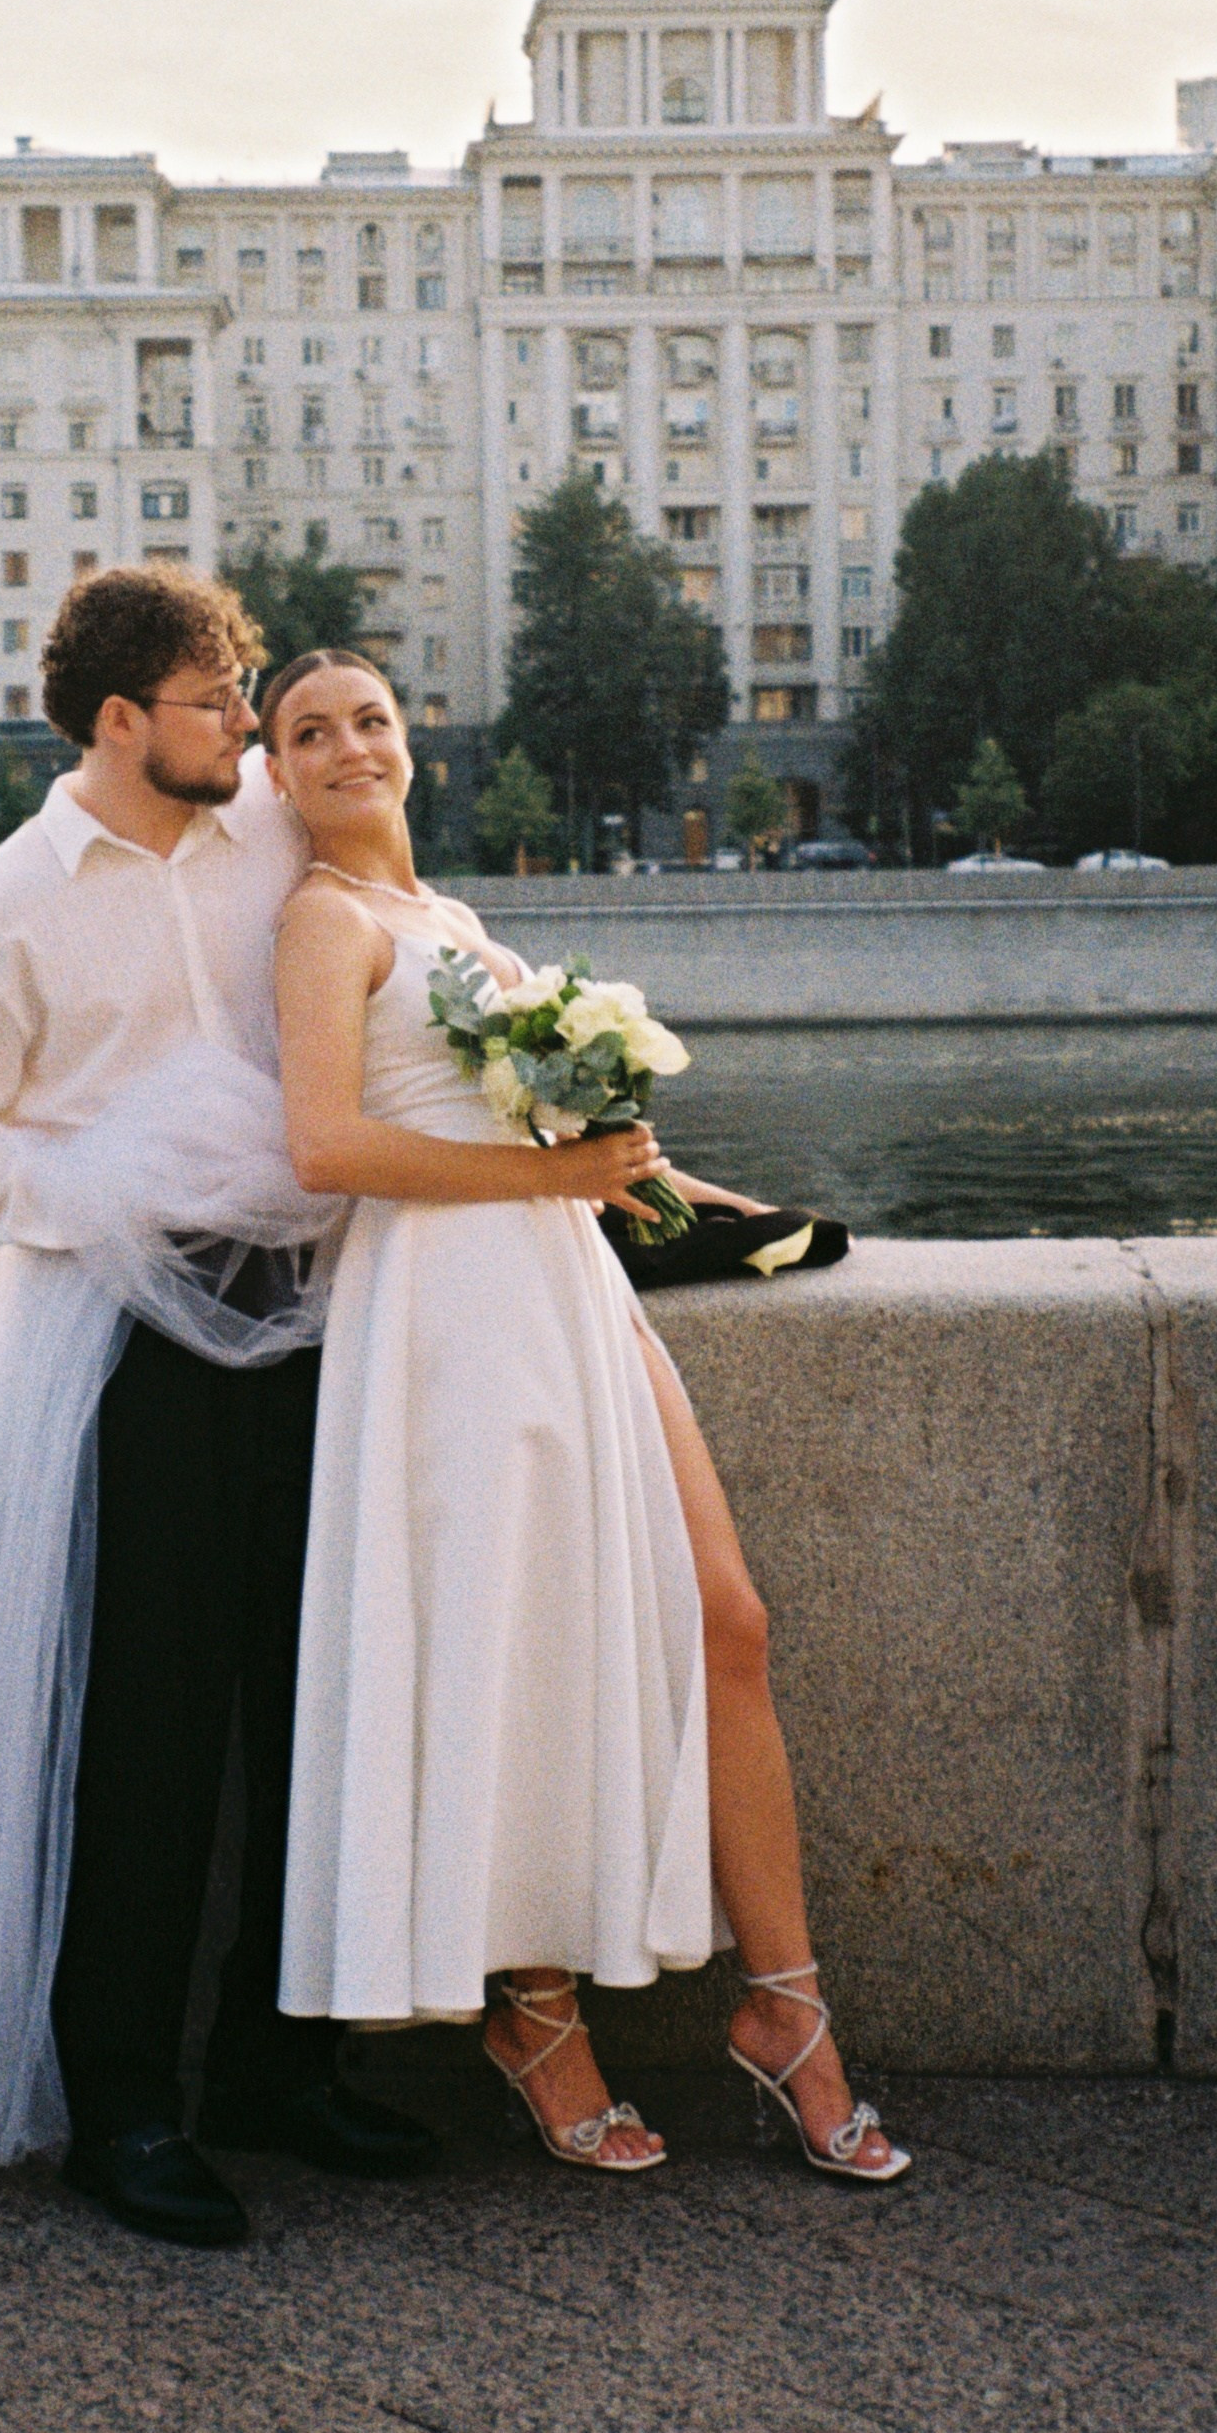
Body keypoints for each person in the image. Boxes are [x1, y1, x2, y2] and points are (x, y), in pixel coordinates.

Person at [265, 649, 908, 2185]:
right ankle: (539, 2016)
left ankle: (784, 2002)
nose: (349, 745)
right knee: (511, 1650)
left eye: (369, 718)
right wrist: (548, 1172)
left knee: (727, 1617)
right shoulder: (320, 921)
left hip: (568, 1289)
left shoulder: (454, 921)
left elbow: (577, 1145)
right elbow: (324, 1145)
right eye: (309, 730)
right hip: (445, 1315)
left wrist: (713, 1200)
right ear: (274, 773)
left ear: (405, 740)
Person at [0, 567, 436, 2247]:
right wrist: (111, 1192)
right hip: (131, 1329)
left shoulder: (271, 828)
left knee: (316, 1694)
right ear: (119, 720)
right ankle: (120, 2103)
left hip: (321, 1303)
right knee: (147, 1725)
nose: (249, 722)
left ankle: (279, 2064)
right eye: (217, 698)